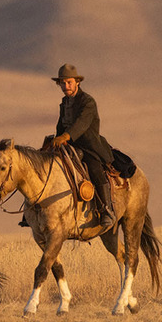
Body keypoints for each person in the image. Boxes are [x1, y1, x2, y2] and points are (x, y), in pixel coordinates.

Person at [49, 63, 116, 231]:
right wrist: (55, 140)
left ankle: (106, 210)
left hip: (89, 146)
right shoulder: (65, 102)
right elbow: (60, 126)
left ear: (77, 82)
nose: (66, 86)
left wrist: (65, 136)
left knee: (94, 169)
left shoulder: (88, 101)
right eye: (62, 83)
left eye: (69, 82)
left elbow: (82, 124)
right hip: (69, 145)